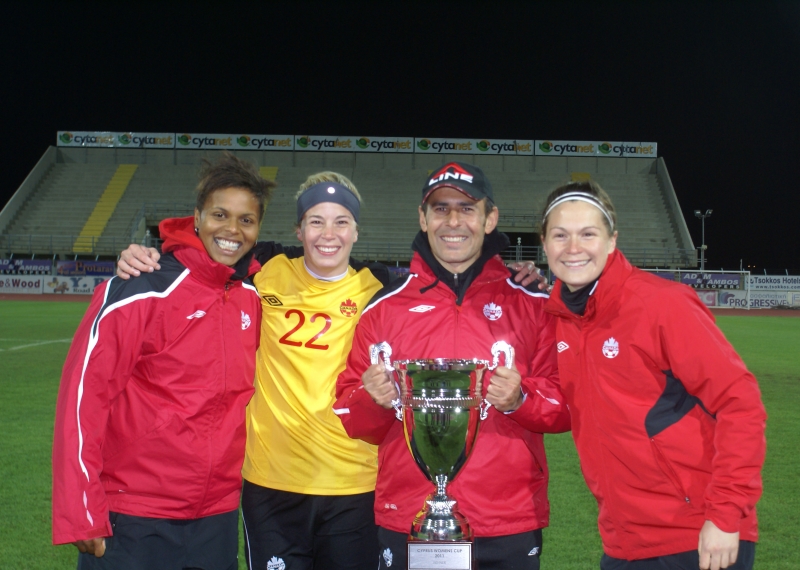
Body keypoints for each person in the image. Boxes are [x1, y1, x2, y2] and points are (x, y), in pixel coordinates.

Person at [117, 168, 544, 570]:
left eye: (341, 222)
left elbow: (446, 287)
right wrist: (153, 255)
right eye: (316, 221)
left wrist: (512, 273)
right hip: (271, 482)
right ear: (298, 230)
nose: (328, 234)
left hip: (354, 485)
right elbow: (209, 255)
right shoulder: (262, 273)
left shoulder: (380, 291)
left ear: (356, 231)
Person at [334, 161, 571, 570]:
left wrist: (521, 399)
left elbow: (568, 404)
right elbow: (351, 418)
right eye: (441, 209)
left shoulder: (533, 304)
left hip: (507, 518)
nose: (454, 221)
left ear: (490, 218)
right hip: (409, 515)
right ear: (423, 219)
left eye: (467, 209)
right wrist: (373, 399)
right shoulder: (384, 309)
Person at [52, 153, 274, 570]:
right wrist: (79, 508)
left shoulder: (252, 298)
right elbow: (83, 397)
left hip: (217, 517)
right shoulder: (141, 288)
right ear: (197, 217)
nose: (232, 230)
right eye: (220, 215)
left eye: (246, 220)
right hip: (134, 514)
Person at [538, 181, 766, 570]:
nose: (573, 247)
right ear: (544, 244)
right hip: (625, 540)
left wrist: (726, 514)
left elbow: (740, 403)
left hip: (697, 535)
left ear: (612, 240)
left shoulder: (661, 303)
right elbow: (576, 411)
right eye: (560, 235)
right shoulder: (563, 319)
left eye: (588, 234)